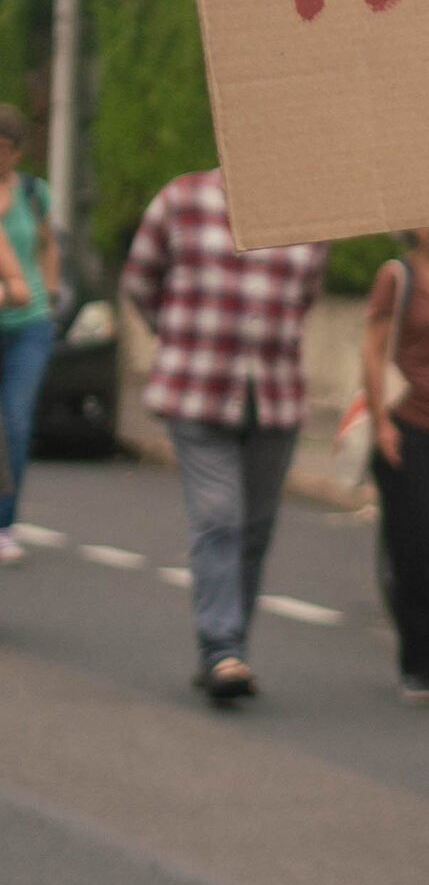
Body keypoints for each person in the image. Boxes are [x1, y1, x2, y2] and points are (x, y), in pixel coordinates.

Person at [118, 167, 328, 701]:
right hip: (197, 390)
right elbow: (140, 281)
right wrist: (180, 339)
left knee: (255, 529)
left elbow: (305, 297)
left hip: (275, 395)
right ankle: (221, 649)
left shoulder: (311, 211)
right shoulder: (181, 199)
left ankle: (232, 646)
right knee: (219, 516)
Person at [362, 227, 429, 703]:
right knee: (417, 550)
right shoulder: (398, 276)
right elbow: (372, 347)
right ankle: (418, 665)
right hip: (411, 428)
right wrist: (381, 421)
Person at [0, 103, 58, 566]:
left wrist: (50, 296)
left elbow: (43, 250)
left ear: (17, 153)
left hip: (28, 327)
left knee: (16, 422)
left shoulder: (35, 194)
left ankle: (4, 524)